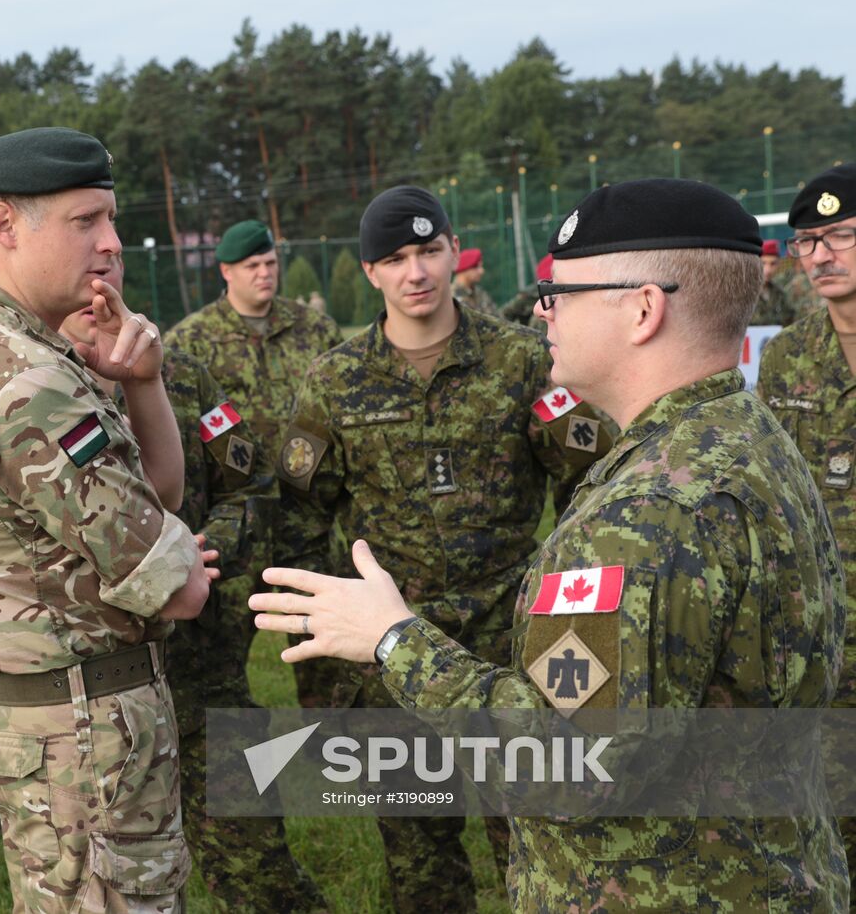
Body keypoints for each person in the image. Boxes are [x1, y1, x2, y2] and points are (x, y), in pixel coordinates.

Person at [252, 178, 848, 910]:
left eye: (559, 292)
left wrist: (392, 638)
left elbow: (568, 767)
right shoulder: (746, 436)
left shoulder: (647, 512)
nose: (542, 311)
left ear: (642, 308)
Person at [0, 127, 209, 913]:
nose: (112, 243)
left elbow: (158, 499)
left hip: (47, 727)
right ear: (6, 226)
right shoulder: (26, 378)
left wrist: (142, 381)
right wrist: (178, 560)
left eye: (111, 221)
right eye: (86, 221)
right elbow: (178, 586)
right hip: (84, 741)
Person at [276, 186, 611, 911]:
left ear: (453, 250)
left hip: (510, 644)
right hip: (391, 653)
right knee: (420, 857)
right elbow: (303, 516)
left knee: (536, 836)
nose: (416, 271)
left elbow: (592, 489)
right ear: (370, 273)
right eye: (395, 258)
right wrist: (320, 654)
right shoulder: (335, 381)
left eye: (429, 250)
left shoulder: (523, 361)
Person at [59, 256, 326, 911]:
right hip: (92, 692)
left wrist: (208, 553)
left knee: (258, 861)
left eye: (111, 272)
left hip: (202, 662)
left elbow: (251, 484)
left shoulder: (179, 377)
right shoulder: (37, 392)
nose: (99, 289)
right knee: (110, 881)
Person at [167, 219, 343, 709]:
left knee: (326, 660)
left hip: (306, 523)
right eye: (252, 266)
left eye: (270, 263)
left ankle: (334, 751)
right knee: (216, 666)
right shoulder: (193, 342)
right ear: (226, 271)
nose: (265, 273)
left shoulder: (315, 330)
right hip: (236, 532)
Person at [757, 161, 856, 878]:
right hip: (829, 634)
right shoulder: (788, 356)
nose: (820, 255)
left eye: (841, 235)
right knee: (832, 823)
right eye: (808, 241)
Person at [753, 238, 797, 326]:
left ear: (778, 264)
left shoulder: (780, 294)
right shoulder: (744, 294)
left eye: (773, 264)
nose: (768, 270)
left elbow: (789, 321)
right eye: (763, 263)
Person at [451, 247, 497, 316]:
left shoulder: (480, 293)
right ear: (465, 268)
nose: (482, 271)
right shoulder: (451, 297)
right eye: (477, 267)